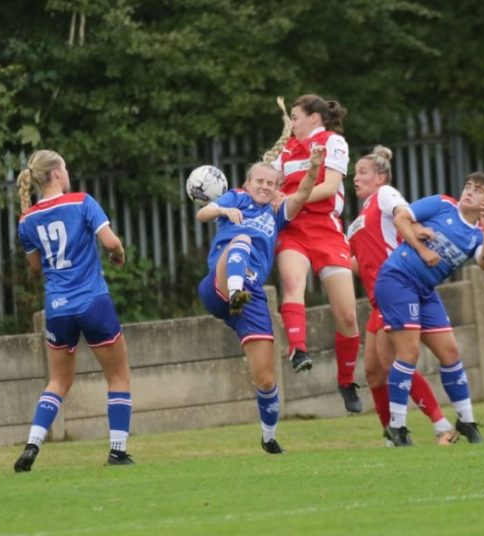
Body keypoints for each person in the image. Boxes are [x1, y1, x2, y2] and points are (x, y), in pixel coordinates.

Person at [13, 150, 134, 471]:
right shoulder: (82, 201)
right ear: (56, 173)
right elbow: (109, 242)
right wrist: (118, 253)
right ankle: (118, 452)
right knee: (118, 376)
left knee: (58, 381)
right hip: (92, 301)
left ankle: (32, 445)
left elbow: (35, 268)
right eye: (64, 166)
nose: (67, 172)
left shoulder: (26, 220)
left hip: (57, 308)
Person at [196, 148, 322, 454]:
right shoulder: (236, 198)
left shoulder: (276, 213)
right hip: (220, 285)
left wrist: (314, 168)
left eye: (270, 183)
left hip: (251, 298)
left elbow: (303, 193)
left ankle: (269, 437)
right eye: (259, 181)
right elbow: (202, 213)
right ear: (247, 183)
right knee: (242, 239)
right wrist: (224, 211)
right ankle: (237, 290)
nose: (264, 187)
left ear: (277, 187)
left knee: (266, 378)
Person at [374, 171, 484, 446]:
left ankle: (466, 421)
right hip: (398, 278)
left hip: (425, 290)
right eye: (468, 185)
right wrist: (423, 250)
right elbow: (401, 218)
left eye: (478, 190)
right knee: (408, 352)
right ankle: (396, 428)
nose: (469, 191)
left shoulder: (479, 235)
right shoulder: (442, 204)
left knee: (450, 352)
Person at [347, 146, 459, 446]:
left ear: (380, 177)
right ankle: (392, 435)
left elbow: (402, 211)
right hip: (377, 298)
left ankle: (442, 425)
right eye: (355, 173)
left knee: (391, 360)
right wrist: (330, 261)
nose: (354, 177)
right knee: (373, 372)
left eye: (362, 172)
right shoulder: (358, 218)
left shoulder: (384, 195)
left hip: (396, 288)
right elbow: (358, 264)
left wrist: (417, 227)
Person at [267, 94, 362, 414]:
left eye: (295, 117)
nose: (290, 123)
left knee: (348, 316)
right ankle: (298, 350)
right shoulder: (286, 150)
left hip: (326, 229)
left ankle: (347, 381)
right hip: (293, 228)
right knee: (293, 283)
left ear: (314, 119)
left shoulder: (333, 142)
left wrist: (291, 197)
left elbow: (327, 186)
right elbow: (269, 188)